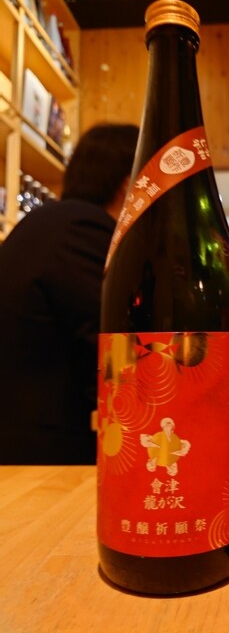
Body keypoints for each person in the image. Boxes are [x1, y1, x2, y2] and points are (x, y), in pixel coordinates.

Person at [0, 123, 139, 464]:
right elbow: (113, 347)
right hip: (43, 456)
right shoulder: (82, 229)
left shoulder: (53, 224)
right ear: (128, 183)